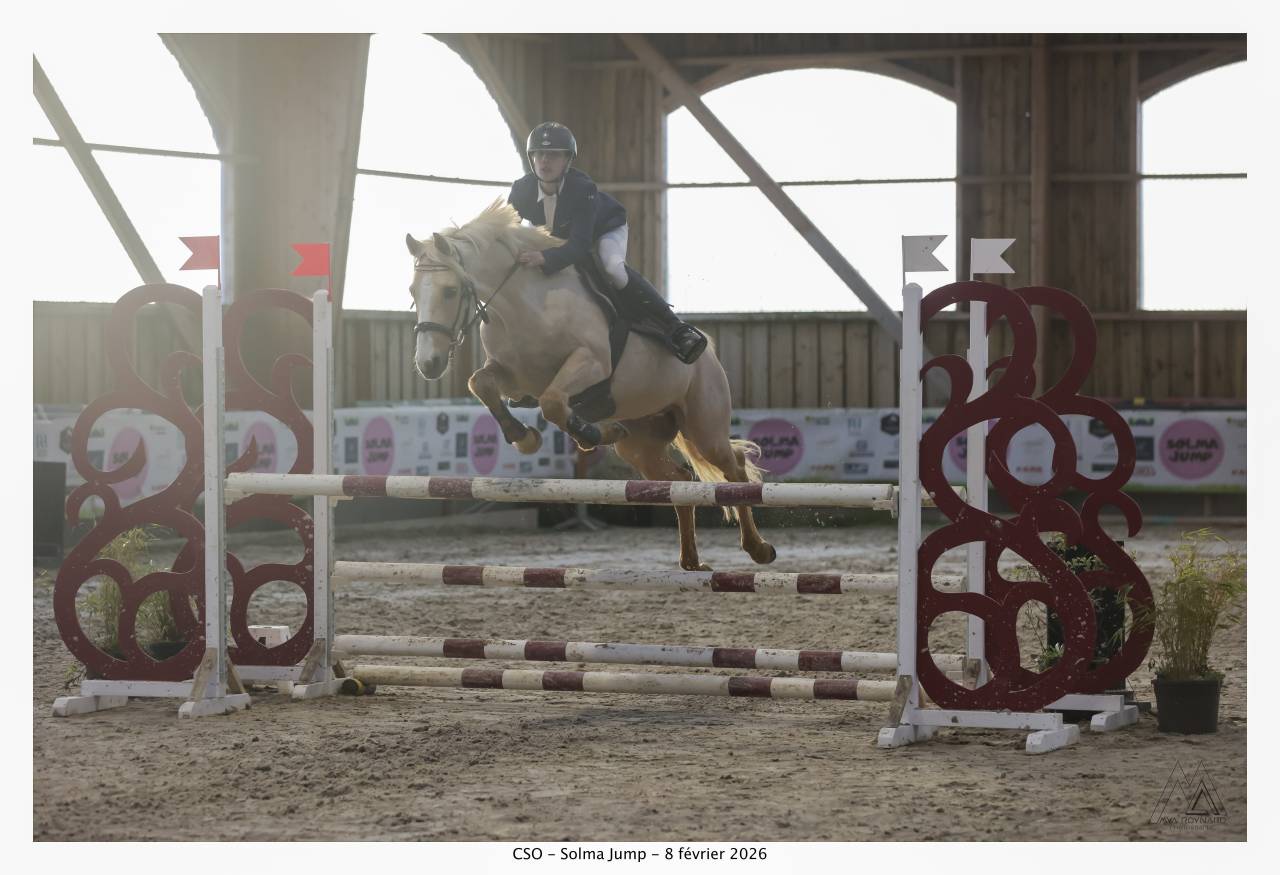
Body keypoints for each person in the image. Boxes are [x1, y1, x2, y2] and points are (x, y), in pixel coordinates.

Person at [507, 121, 707, 364]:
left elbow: (580, 246)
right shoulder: (520, 190)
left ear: (567, 160)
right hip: (556, 236)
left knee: (613, 268)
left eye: (554, 155)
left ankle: (676, 328)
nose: (545, 161)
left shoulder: (583, 188)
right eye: (539, 154)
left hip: (603, 229)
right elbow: (510, 232)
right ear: (532, 158)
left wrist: (544, 257)